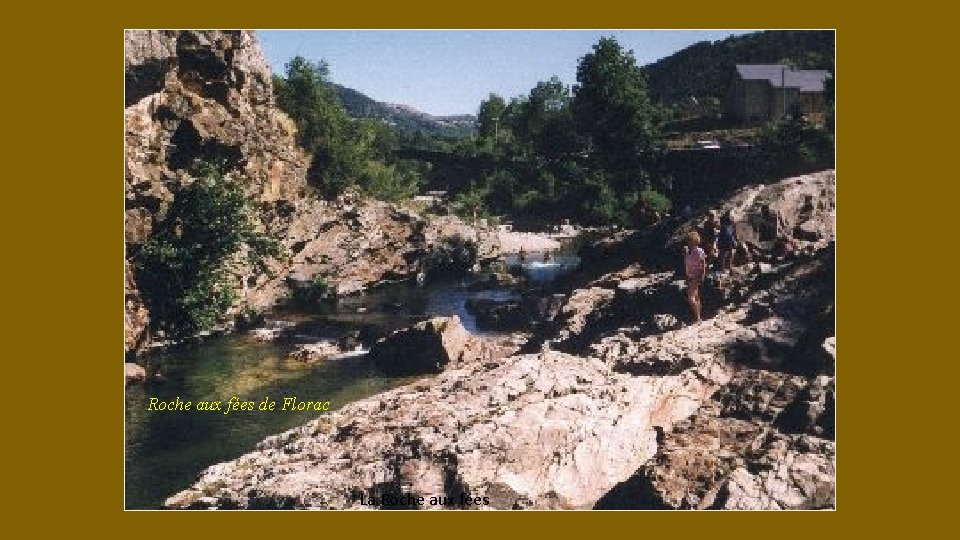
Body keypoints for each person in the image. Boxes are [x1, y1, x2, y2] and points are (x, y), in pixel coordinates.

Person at [683, 230, 707, 323]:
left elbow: (703, 262)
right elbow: (686, 263)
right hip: (690, 275)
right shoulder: (689, 251)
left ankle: (697, 318)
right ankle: (699, 317)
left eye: (689, 240)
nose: (688, 242)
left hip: (696, 275)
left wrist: (703, 274)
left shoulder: (699, 251)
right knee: (696, 296)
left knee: (691, 297)